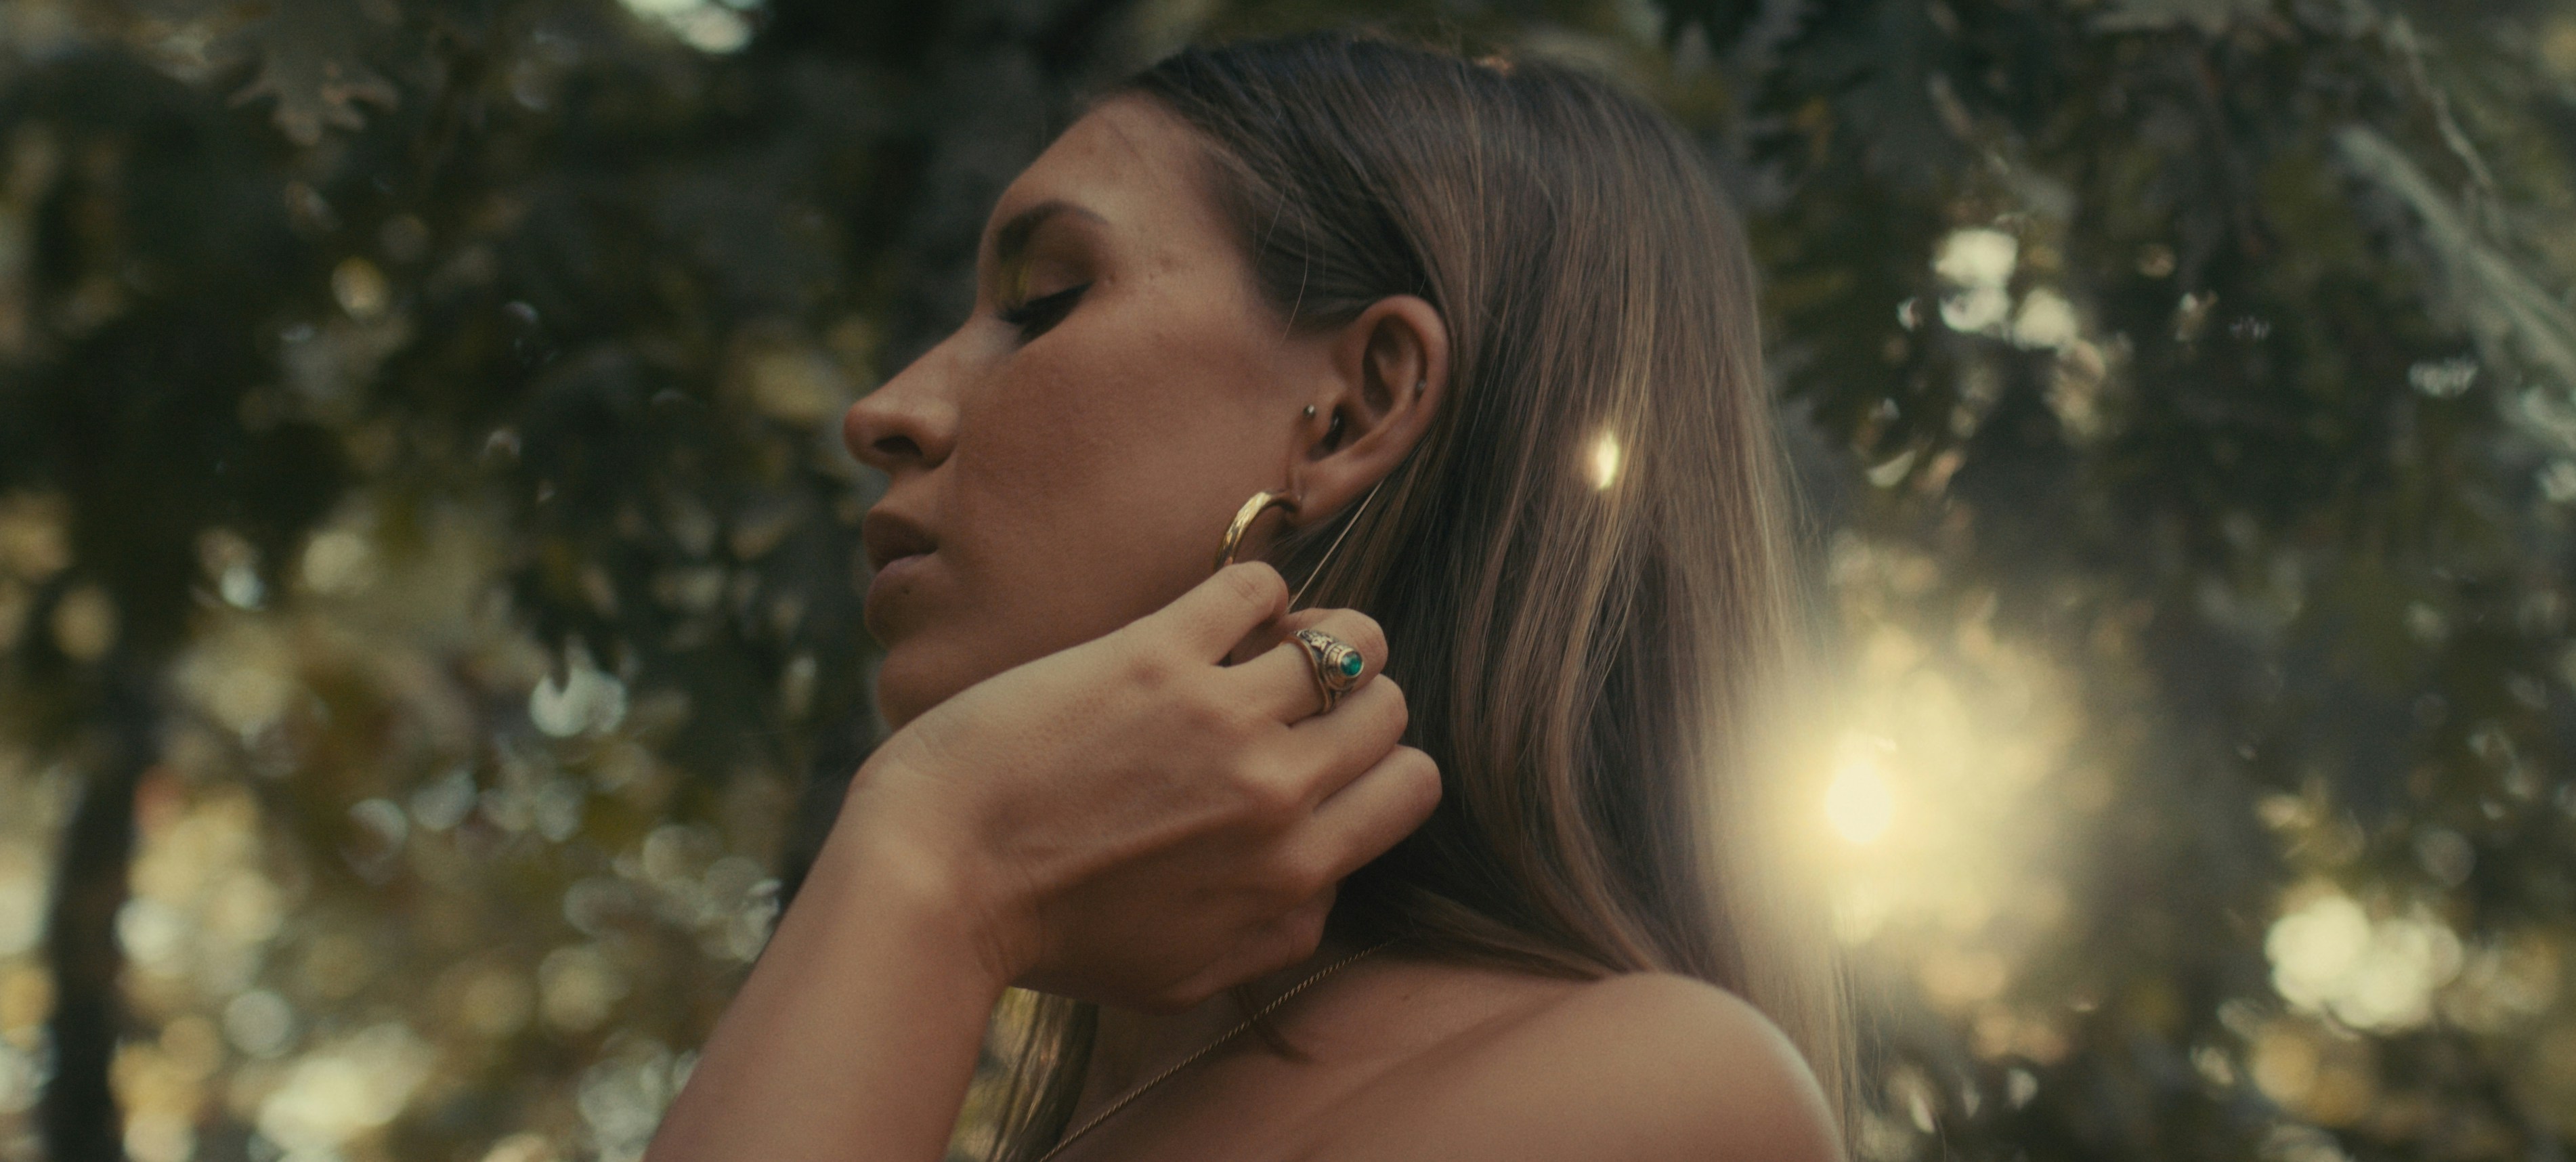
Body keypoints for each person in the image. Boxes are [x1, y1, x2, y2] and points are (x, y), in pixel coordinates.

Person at [647, 32, 1849, 1162]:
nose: (887, 410)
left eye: (1046, 301)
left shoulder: (1654, 1097)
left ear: (1356, 411)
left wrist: (932, 855)